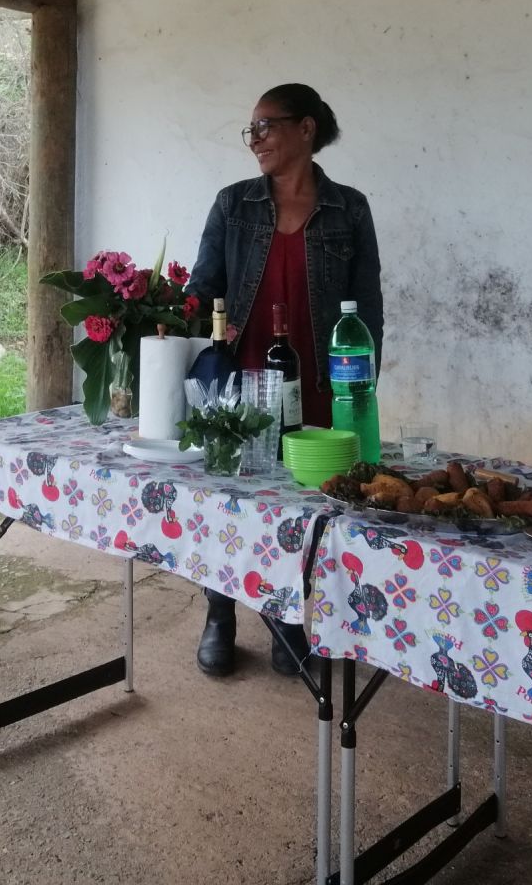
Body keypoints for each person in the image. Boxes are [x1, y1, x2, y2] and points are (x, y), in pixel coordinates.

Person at [187, 83, 384, 677]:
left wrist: (360, 389)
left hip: (321, 381)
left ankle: (289, 620)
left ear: (306, 129)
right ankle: (219, 614)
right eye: (251, 130)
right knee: (228, 502)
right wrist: (157, 318)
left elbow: (368, 306)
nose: (257, 141)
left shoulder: (350, 208)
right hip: (243, 379)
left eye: (267, 126)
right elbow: (204, 285)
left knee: (306, 504)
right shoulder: (233, 203)